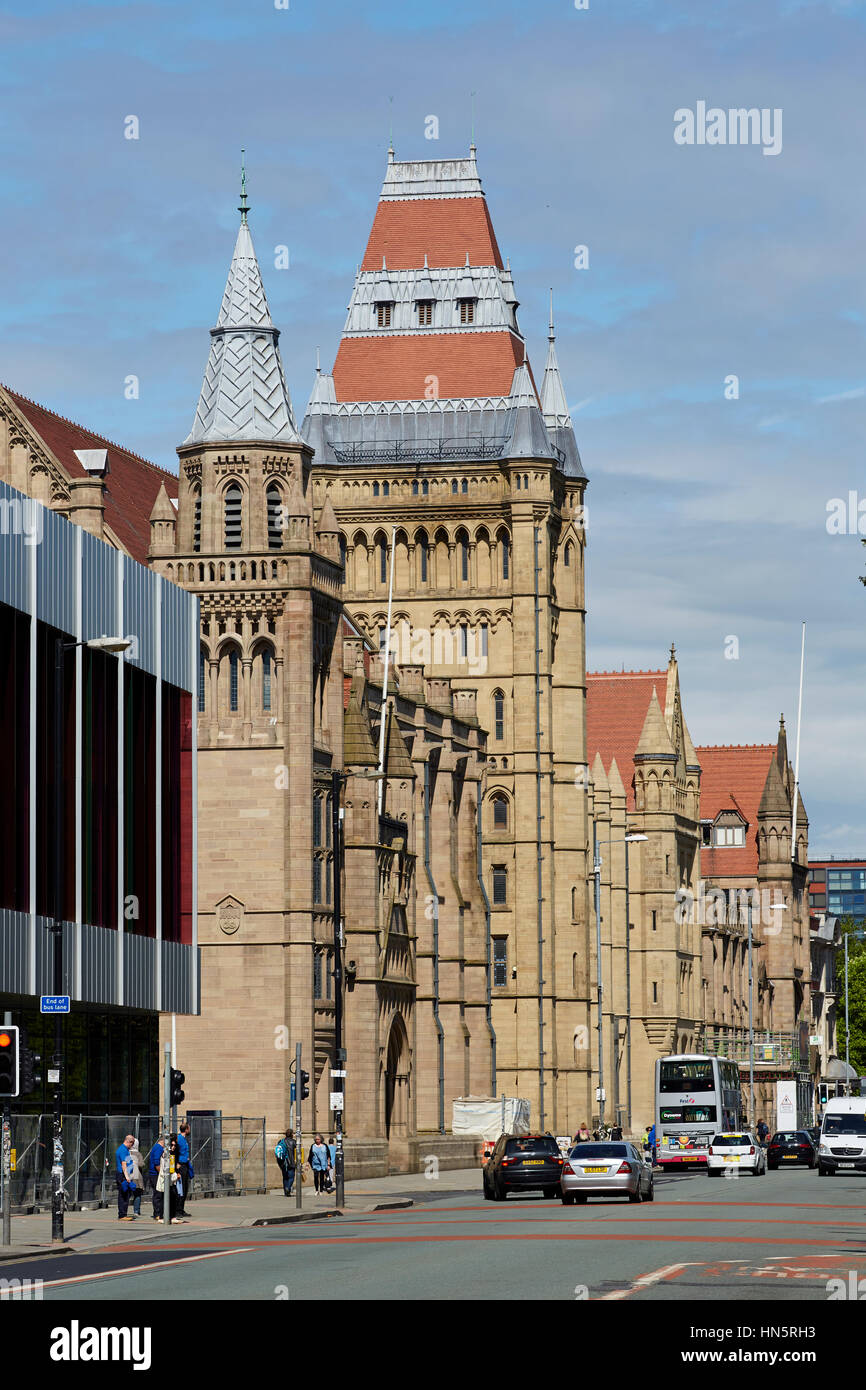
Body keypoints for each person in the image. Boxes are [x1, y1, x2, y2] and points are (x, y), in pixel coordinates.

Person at [115, 1133, 136, 1221]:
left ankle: (123, 1213)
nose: (132, 1146)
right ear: (129, 1142)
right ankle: (122, 1214)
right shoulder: (123, 1150)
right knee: (124, 1194)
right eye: (132, 1144)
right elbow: (124, 1164)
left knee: (125, 1194)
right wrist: (127, 1177)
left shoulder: (124, 1149)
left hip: (124, 1174)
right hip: (123, 1175)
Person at [176, 1121, 193, 1217]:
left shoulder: (184, 1139)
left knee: (185, 1188)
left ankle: (181, 1209)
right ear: (186, 1129)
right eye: (188, 1128)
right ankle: (178, 1210)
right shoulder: (179, 1139)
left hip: (185, 1164)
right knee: (180, 1188)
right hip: (181, 1165)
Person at [125, 1138, 144, 1218]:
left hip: (128, 1175)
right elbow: (141, 1164)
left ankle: (124, 1210)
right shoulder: (138, 1154)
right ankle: (136, 1211)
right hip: (137, 1176)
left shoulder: (127, 1153)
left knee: (127, 1194)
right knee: (137, 1194)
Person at [275, 1129, 296, 1197]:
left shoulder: (281, 1141)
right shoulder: (293, 1142)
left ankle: (286, 1192)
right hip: (290, 1162)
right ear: (292, 1134)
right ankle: (288, 1188)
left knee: (285, 1177)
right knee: (291, 1177)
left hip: (282, 1162)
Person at [149, 1139, 164, 1221]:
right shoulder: (159, 1148)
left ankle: (159, 1213)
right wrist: (161, 1173)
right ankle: (157, 1213)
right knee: (158, 1194)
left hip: (155, 1174)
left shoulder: (157, 1147)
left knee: (158, 1194)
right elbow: (156, 1162)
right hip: (155, 1175)